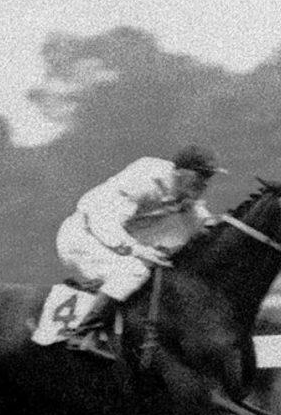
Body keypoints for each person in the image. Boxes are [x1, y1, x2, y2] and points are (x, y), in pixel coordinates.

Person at [54, 144, 225, 356]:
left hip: (108, 238)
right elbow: (104, 224)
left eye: (208, 177)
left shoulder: (185, 192)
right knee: (135, 270)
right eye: (201, 175)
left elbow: (203, 224)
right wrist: (139, 251)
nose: (204, 183)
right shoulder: (144, 179)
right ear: (181, 172)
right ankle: (82, 333)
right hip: (82, 236)